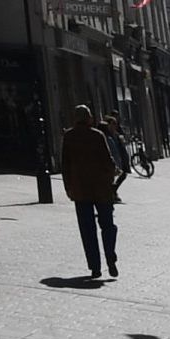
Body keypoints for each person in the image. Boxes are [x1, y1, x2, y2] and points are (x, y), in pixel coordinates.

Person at [61, 104, 122, 280]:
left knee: (87, 230)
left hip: (80, 190)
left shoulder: (69, 137)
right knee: (108, 225)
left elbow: (65, 164)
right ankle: (110, 258)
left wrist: (68, 187)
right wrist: (113, 174)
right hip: (101, 189)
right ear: (89, 118)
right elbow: (107, 160)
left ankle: (95, 267)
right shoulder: (97, 135)